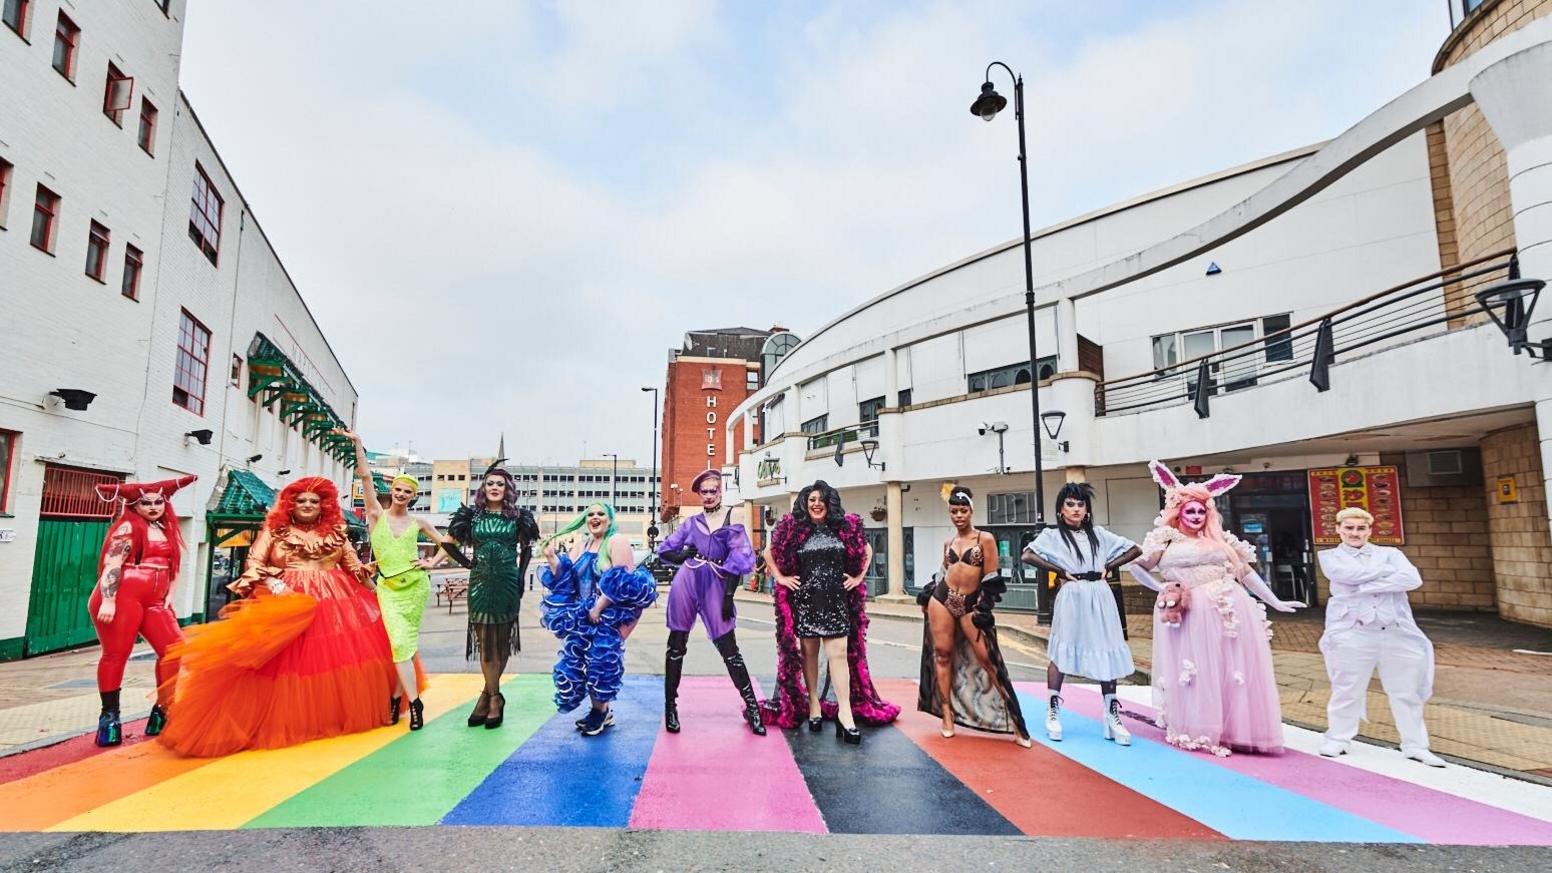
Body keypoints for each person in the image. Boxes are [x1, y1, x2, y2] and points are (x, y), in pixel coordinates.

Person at [159, 477, 399, 757]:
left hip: (335, 605)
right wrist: (274, 585)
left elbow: (354, 567)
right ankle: (283, 720)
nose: (308, 505)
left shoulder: (337, 532)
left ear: (324, 505)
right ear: (290, 504)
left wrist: (381, 593)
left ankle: (323, 717)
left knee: (328, 663)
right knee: (282, 664)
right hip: (286, 602)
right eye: (301, 501)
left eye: (314, 501)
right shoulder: (274, 530)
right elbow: (255, 562)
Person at [1127, 461, 1304, 756]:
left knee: (1231, 669)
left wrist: (1275, 601)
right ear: (1178, 513)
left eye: (1201, 511)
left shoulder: (1221, 542)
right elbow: (1138, 567)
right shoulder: (1165, 540)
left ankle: (1235, 728)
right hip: (1189, 613)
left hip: (1230, 610)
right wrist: (1161, 588)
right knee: (1195, 670)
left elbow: (1246, 573)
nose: (1196, 516)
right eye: (1190, 511)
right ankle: (1199, 725)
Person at [761, 480, 899, 743]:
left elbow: (867, 549)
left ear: (829, 503)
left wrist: (858, 578)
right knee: (809, 655)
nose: (816, 504)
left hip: (836, 600)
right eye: (811, 500)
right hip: (806, 600)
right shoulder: (794, 529)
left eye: (820, 499)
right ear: (805, 503)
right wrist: (781, 577)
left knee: (838, 655)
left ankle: (845, 713)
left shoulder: (843, 528)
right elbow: (768, 551)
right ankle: (813, 704)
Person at [1317, 507, 1444, 767]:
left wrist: (1363, 586)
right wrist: (1386, 574)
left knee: (1406, 691)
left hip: (1395, 631)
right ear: (1339, 529)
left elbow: (1412, 578)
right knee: (1347, 688)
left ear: (1369, 530)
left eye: (1360, 528)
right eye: (1349, 528)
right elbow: (1343, 576)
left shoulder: (1391, 553)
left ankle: (1415, 744)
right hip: (1353, 631)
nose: (1355, 533)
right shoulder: (1330, 556)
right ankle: (1339, 737)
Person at [1020, 482, 1142, 744]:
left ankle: (1111, 714)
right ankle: (1052, 710)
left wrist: (1107, 566)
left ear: (1087, 510)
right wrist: (1060, 570)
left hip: (1099, 593)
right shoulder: (1053, 536)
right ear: (1061, 510)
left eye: (1080, 504)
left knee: (1108, 647)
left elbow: (1135, 549)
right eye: (1070, 504)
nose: (1076, 509)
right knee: (1062, 650)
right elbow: (1028, 555)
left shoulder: (1099, 534)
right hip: (1072, 595)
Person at [341, 430, 443, 731]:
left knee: (404, 647)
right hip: (388, 590)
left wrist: (431, 563)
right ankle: (414, 704)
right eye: (397, 490)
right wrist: (358, 445)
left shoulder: (418, 523)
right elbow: (366, 479)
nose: (400, 495)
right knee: (400, 644)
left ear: (413, 497)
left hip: (415, 589)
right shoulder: (375, 515)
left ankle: (397, 700)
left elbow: (446, 542)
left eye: (406, 492)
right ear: (392, 491)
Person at [916, 486, 1031, 747]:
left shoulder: (985, 539)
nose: (958, 515)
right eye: (954, 511)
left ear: (971, 511)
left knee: (989, 660)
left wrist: (983, 608)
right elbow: (942, 573)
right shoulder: (948, 543)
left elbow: (991, 578)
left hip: (970, 605)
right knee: (942, 654)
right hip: (942, 600)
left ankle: (1016, 722)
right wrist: (929, 595)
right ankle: (946, 714)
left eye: (963, 510)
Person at [88, 475, 196, 747]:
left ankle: (162, 709)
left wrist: (170, 594)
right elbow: (113, 564)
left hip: (155, 601)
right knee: (116, 654)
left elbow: (173, 566)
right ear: (133, 505)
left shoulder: (166, 528)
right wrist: (109, 600)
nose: (152, 507)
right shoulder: (127, 528)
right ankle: (109, 717)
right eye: (144, 502)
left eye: (158, 501)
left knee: (175, 649)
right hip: (123, 596)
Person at [656, 469, 763, 735]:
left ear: (720, 491)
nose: (708, 495)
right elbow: (665, 550)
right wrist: (682, 555)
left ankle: (752, 708)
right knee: (676, 644)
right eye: (703, 491)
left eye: (713, 490)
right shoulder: (691, 522)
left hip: (717, 584)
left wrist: (728, 596)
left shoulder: (733, 516)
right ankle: (670, 707)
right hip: (688, 581)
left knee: (729, 647)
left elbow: (740, 560)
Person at [539, 502, 658, 736]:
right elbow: (566, 577)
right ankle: (601, 710)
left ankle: (599, 713)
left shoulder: (617, 542)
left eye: (601, 514)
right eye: (590, 514)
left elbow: (621, 582)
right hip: (584, 614)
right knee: (577, 662)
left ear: (610, 519)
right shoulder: (583, 543)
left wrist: (598, 608)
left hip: (611, 613)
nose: (595, 517)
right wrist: (551, 557)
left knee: (601, 663)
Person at [443, 461, 540, 729]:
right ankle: (495, 696)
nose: (495, 488)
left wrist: (521, 579)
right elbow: (447, 543)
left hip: (508, 583)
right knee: (485, 641)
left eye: (500, 484)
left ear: (507, 489)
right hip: (480, 583)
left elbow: (528, 549)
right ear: (483, 488)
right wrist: (468, 564)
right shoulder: (471, 516)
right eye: (490, 483)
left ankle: (487, 696)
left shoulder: (518, 517)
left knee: (502, 641)